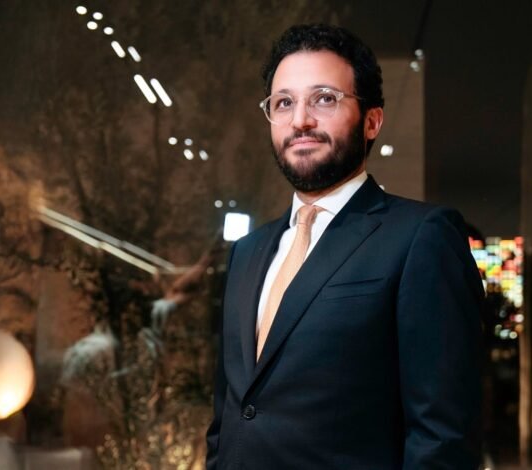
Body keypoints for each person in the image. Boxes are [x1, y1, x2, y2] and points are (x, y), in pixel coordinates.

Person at [206, 24, 484, 469]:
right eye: (284, 103)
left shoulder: (421, 237)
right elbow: (230, 414)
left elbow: (442, 437)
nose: (300, 120)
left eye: (324, 98)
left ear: (372, 121)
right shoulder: (247, 252)